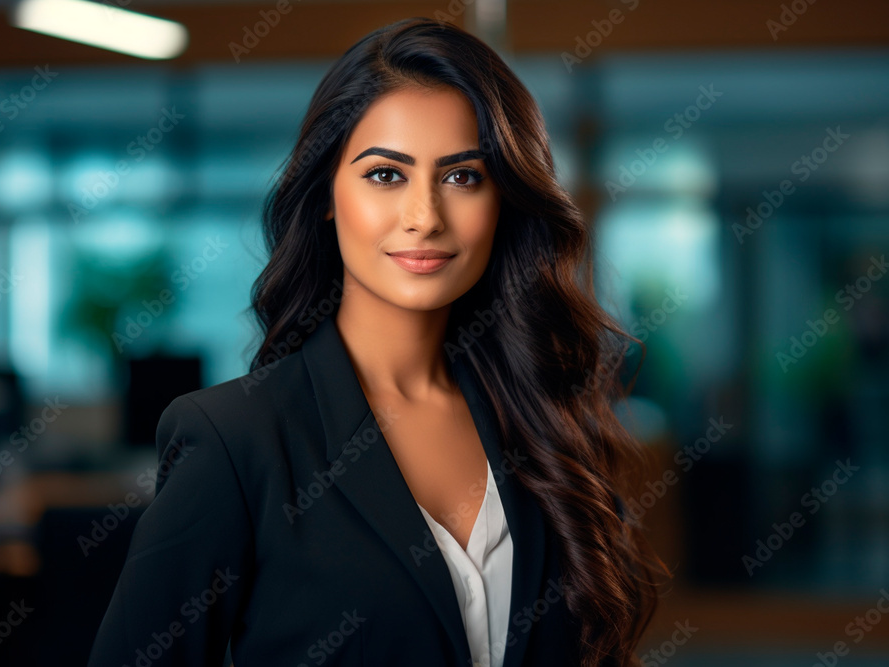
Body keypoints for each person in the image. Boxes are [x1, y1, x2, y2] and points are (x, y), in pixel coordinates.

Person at [88, 16, 668, 667]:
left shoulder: (540, 420)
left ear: (503, 200)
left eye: (462, 177)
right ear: (328, 194)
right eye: (386, 175)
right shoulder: (235, 440)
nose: (424, 216)